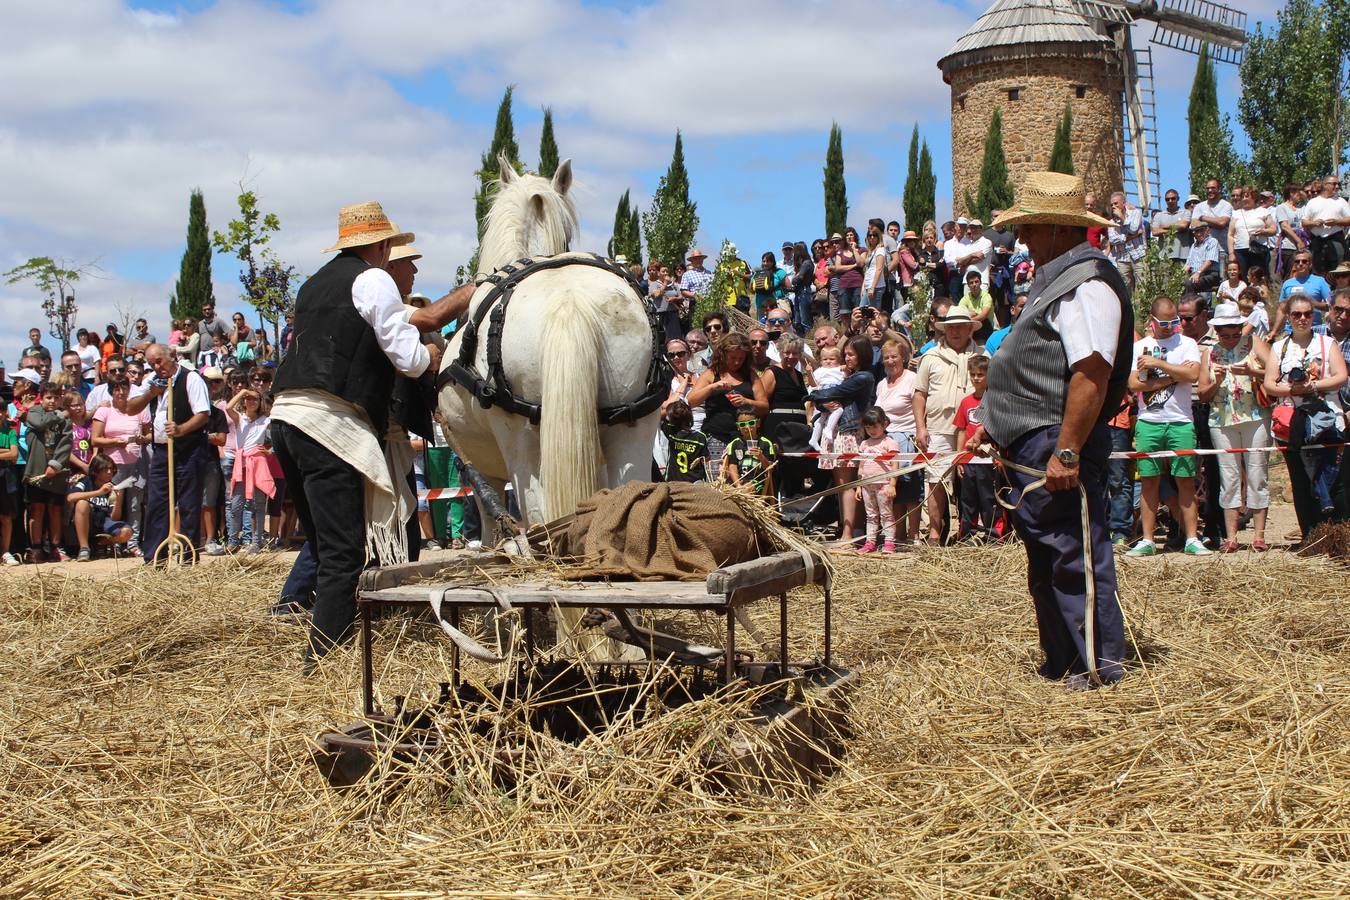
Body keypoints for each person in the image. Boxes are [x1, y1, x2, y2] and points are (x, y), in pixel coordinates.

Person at [271, 203, 470, 668]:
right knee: (344, 550)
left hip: (286, 418)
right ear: (380, 246)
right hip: (329, 420)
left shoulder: (313, 283)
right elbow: (405, 355)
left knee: (322, 544)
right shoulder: (372, 277)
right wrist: (431, 359)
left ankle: (325, 633)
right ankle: (324, 657)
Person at [978, 171, 1132, 689]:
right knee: (1048, 555)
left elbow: (1091, 373)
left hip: (1056, 445)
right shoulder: (1058, 283)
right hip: (1034, 443)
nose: (1021, 239)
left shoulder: (1087, 284)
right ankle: (1064, 659)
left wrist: (1067, 451)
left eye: (1030, 227)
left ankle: (1100, 668)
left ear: (1061, 230)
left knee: (1075, 555)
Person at [1125, 298, 1208, 557]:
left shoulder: (1187, 344)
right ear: (1152, 321)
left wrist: (1158, 366)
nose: (1172, 326)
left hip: (1181, 421)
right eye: (1166, 323)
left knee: (1185, 480)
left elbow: (1193, 375)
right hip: (1149, 421)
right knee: (1149, 481)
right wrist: (1174, 375)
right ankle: (1148, 539)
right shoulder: (1140, 346)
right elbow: (1135, 385)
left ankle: (1192, 538)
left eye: (1176, 321)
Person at [1264, 296, 1347, 538]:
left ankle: (1339, 535)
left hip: (1326, 419)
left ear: (1314, 315)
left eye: (1308, 314)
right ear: (1288, 317)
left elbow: (1341, 376)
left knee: (1333, 478)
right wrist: (1292, 390)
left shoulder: (1327, 343)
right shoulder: (1279, 347)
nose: (1302, 318)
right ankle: (1311, 536)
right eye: (1297, 314)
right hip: (1292, 422)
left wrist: (1313, 386)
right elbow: (1269, 384)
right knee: (1301, 481)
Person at [127, 343, 213, 563]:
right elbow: (131, 408)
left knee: (188, 505)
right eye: (152, 363)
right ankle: (155, 559)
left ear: (171, 357)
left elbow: (203, 414)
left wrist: (181, 429)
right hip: (161, 451)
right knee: (157, 504)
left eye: (159, 361)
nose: (157, 367)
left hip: (189, 450)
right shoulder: (151, 381)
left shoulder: (191, 378)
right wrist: (151, 394)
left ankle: (187, 557)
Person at [1198, 302, 1271, 552]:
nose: (1230, 339)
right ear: (1216, 332)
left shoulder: (1254, 343)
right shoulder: (1208, 353)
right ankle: (1231, 537)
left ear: (1242, 329)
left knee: (1257, 473)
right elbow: (1203, 395)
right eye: (1225, 335)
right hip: (1222, 420)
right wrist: (1216, 380)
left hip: (1255, 416)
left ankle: (1259, 536)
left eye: (1235, 333)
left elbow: (1276, 371)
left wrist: (1253, 371)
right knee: (1228, 477)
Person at [913, 307, 982, 544]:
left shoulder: (982, 358)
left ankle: (969, 533)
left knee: (973, 479)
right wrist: (921, 428)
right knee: (936, 480)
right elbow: (919, 394)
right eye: (950, 326)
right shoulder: (930, 357)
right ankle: (935, 533)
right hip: (938, 426)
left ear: (970, 329)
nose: (955, 330)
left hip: (974, 429)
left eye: (960, 326)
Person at [805, 335, 876, 542]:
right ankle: (854, 532)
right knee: (843, 486)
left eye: (851, 354)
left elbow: (834, 392)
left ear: (862, 355)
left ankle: (848, 536)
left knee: (847, 486)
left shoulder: (863, 377)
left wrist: (813, 396)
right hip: (839, 431)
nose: (847, 358)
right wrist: (821, 400)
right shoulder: (850, 376)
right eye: (845, 354)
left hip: (848, 433)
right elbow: (826, 400)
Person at [687, 332, 768, 479]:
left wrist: (746, 401)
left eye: (741, 359)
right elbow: (691, 400)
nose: (737, 362)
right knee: (717, 480)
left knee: (745, 479)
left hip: (744, 439)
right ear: (723, 355)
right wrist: (712, 387)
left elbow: (764, 406)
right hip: (717, 437)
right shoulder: (712, 373)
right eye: (733, 358)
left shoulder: (750, 375)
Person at [91, 378, 150, 557]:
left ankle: (132, 543)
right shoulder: (104, 411)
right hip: (112, 465)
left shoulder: (139, 410)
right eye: (117, 389)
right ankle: (114, 541)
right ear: (111, 391)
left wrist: (142, 439)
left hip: (136, 462)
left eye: (124, 388)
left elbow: (149, 434)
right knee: (113, 503)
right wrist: (115, 441)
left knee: (134, 504)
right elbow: (95, 439)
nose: (121, 392)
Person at [874, 337, 921, 543]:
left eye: (894, 356)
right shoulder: (882, 384)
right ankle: (899, 535)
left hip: (907, 438)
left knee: (911, 490)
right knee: (894, 490)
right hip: (886, 441)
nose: (891, 361)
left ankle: (914, 534)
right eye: (887, 357)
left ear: (903, 358)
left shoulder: (912, 379)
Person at [23, 383, 73, 563]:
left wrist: (56, 465)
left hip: (57, 473)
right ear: (41, 398)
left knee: (55, 510)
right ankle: (36, 547)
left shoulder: (66, 421)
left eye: (56, 398)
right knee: (36, 509)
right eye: (48, 398)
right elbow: (39, 423)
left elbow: (66, 443)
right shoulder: (35, 412)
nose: (52, 401)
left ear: (61, 398)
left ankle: (55, 547)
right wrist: (59, 415)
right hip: (36, 470)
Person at [954, 355, 995, 540]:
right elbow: (961, 430)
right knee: (968, 498)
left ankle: (994, 535)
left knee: (989, 498)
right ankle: (967, 535)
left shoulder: (994, 401)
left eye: (980, 374)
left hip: (989, 459)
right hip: (969, 459)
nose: (976, 378)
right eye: (973, 374)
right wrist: (959, 458)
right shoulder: (966, 402)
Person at [68, 454, 133, 561]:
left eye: (111, 469)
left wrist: (118, 499)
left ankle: (99, 543)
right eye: (105, 469)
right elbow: (71, 497)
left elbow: (114, 518)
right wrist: (99, 492)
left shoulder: (112, 486)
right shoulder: (86, 481)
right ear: (95, 471)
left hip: (103, 521)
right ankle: (84, 548)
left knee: (127, 532)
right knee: (82, 504)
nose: (109, 472)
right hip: (86, 521)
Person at [854, 407, 899, 553]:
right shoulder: (864, 444)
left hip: (884, 485)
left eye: (874, 426)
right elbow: (861, 466)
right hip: (867, 485)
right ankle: (870, 542)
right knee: (871, 515)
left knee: (886, 514)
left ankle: (889, 542)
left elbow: (895, 465)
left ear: (884, 424)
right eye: (868, 427)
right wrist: (859, 486)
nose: (871, 430)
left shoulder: (889, 443)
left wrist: (892, 484)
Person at [1302, 174, 1350, 275]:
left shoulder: (1341, 202)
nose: (1337, 187)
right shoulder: (1313, 202)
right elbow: (1304, 222)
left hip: (1336, 240)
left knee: (1339, 270)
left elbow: (1349, 219)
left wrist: (1336, 222)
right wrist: (1314, 223)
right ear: (1325, 185)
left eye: (1338, 184)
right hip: (1317, 242)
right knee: (1318, 271)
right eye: (1334, 184)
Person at [721, 413, 776, 497]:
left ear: (758, 423)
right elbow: (732, 466)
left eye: (751, 423)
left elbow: (770, 469)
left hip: (758, 481)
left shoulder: (765, 443)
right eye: (742, 424)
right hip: (737, 480)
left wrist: (761, 457)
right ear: (738, 427)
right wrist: (738, 485)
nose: (747, 427)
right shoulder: (734, 444)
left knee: (747, 488)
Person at [1229, 186, 1275, 278]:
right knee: (1244, 278)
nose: (1244, 199)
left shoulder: (1263, 211)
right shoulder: (1236, 213)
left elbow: (1273, 229)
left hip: (1258, 250)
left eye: (1246, 196)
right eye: (1242, 197)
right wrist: (1231, 253)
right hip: (1240, 251)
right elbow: (1230, 234)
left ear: (1254, 197)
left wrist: (1263, 232)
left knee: (1260, 278)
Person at [1279, 250, 1332, 328]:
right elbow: (1281, 309)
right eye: (1297, 261)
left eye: (1304, 261)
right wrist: (1274, 331)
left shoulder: (1320, 281)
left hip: (1314, 328)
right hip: (1291, 329)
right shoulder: (1287, 283)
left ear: (1310, 264)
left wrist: (1314, 303)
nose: (1300, 264)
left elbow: (1332, 305)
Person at [807, 345, 845, 453]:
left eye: (832, 359)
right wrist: (809, 373)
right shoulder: (820, 371)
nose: (828, 362)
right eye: (825, 359)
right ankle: (829, 429)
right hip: (825, 393)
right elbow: (813, 383)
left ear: (838, 360)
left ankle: (814, 439)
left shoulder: (839, 369)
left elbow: (845, 378)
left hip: (833, 394)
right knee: (839, 410)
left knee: (821, 418)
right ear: (821, 360)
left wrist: (845, 369)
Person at [1106, 191, 1146, 293]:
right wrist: (1131, 237)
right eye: (1112, 205)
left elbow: (1133, 229)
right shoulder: (1111, 222)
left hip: (1138, 254)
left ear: (1124, 203)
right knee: (1125, 288)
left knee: (1143, 286)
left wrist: (1122, 218)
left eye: (1116, 203)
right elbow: (1113, 239)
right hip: (1122, 258)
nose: (1113, 206)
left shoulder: (1136, 213)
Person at [661, 400, 708, 483]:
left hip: (674, 481)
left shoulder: (670, 432)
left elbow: (660, 416)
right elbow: (706, 458)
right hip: (694, 481)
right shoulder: (700, 437)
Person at [1151, 188, 1192, 265]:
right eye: (1167, 199)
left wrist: (1164, 227)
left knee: (1183, 277)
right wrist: (1175, 228)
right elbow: (1155, 232)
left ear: (1178, 199)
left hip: (1183, 256)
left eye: (1173, 198)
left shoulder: (1186, 212)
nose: (1170, 201)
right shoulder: (1159, 215)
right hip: (1164, 256)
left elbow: (1183, 225)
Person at [958, 267, 998, 342]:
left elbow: (984, 315)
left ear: (980, 283)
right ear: (968, 285)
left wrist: (969, 319)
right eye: (971, 283)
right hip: (975, 329)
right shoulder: (965, 299)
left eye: (976, 282)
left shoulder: (986, 296)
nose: (974, 285)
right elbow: (959, 312)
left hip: (989, 329)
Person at [1183, 221, 1221, 295]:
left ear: (1207, 230)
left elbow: (1209, 261)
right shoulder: (1194, 245)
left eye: (1201, 230)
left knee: (1189, 284)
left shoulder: (1212, 241)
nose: (1199, 234)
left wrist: (1198, 273)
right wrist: (1179, 276)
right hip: (1194, 274)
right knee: (1179, 283)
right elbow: (1188, 264)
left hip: (1209, 274)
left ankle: (1192, 305)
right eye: (1196, 231)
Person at [648, 263, 684, 341]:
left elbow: (681, 297)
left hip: (673, 313)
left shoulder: (673, 285)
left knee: (676, 337)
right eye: (663, 271)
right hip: (661, 314)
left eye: (667, 271)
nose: (666, 273)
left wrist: (674, 298)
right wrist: (665, 283)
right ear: (658, 273)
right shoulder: (654, 284)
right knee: (664, 338)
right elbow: (656, 295)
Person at [0, 410, 17, 566]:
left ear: (5, 413)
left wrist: (8, 452)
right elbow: (9, 452)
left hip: (5, 478)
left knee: (6, 516)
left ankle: (5, 551)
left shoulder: (10, 432)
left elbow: (14, 454)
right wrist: (6, 451)